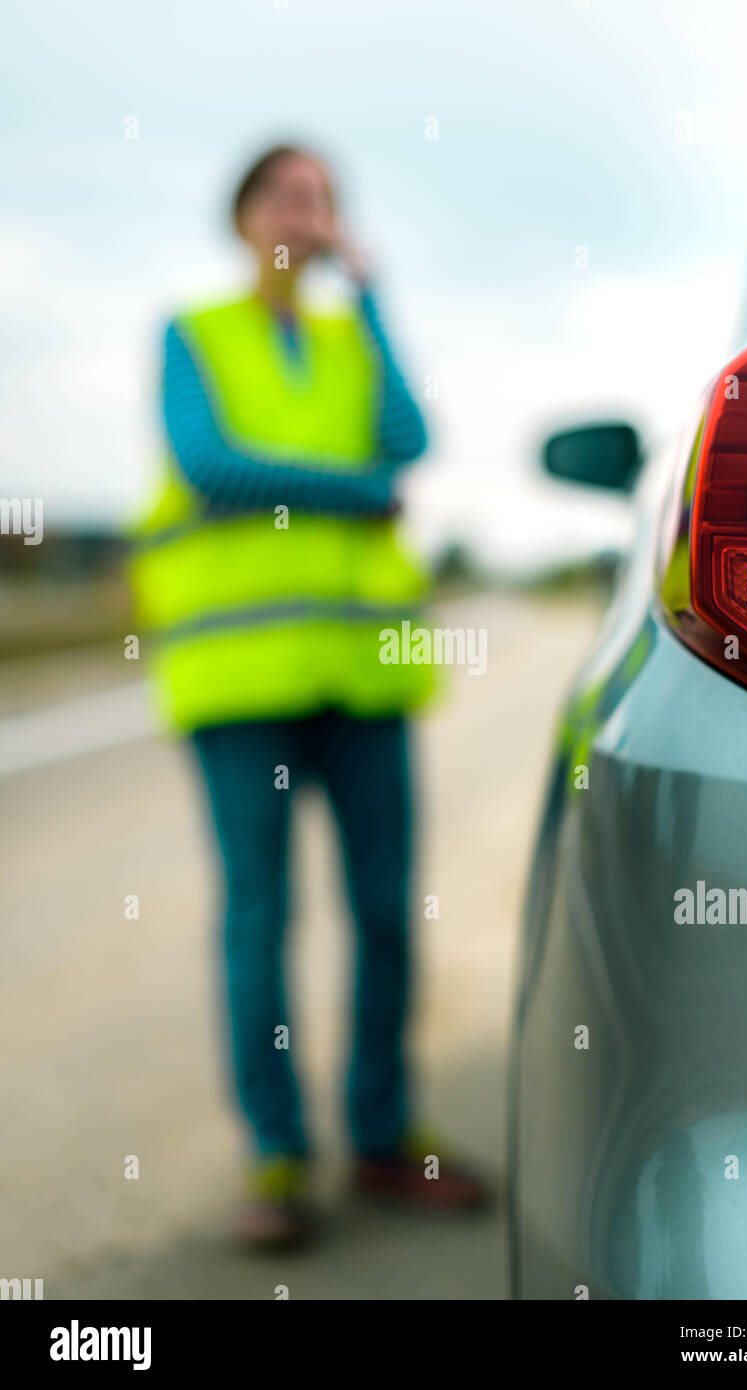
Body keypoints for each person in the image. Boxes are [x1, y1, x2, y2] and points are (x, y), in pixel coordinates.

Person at [128, 144, 487, 1247]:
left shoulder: (347, 338)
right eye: (286, 193)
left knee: (383, 910)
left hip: (359, 674)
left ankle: (380, 1134)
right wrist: (359, 493)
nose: (306, 211)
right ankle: (276, 1157)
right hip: (241, 682)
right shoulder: (194, 334)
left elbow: (414, 440)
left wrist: (372, 296)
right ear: (240, 216)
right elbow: (209, 464)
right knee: (259, 916)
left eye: (323, 198)